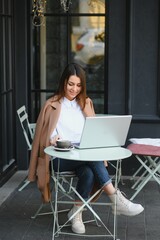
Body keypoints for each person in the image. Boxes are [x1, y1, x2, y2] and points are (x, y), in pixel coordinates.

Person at [28, 63, 144, 234]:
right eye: (70, 84)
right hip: (60, 158)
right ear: (63, 83)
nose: (74, 89)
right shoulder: (51, 105)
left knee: (88, 172)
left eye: (78, 85)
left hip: (82, 155)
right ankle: (116, 198)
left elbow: (94, 132)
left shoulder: (86, 103)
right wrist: (51, 140)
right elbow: (41, 138)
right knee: (92, 159)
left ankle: (76, 213)